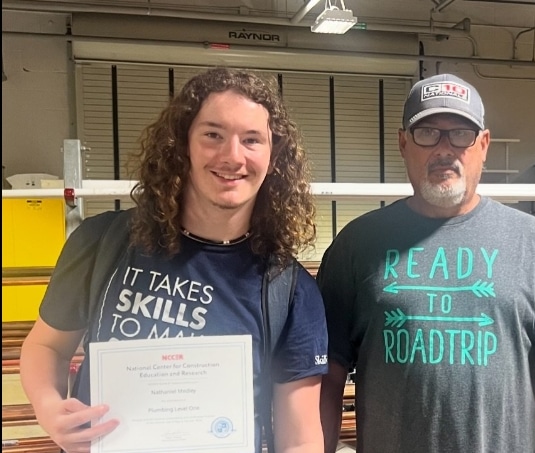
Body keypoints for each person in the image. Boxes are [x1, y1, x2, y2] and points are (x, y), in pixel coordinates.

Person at [19, 67, 327, 453]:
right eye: (213, 135)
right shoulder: (103, 242)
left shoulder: (289, 290)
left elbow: (301, 440)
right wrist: (49, 407)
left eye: (251, 140)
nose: (233, 156)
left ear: (273, 155)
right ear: (183, 144)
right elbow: (46, 347)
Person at [317, 73, 535, 453]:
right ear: (403, 143)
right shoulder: (357, 245)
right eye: (427, 133)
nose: (444, 148)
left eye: (461, 134)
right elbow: (327, 378)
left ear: (484, 144)